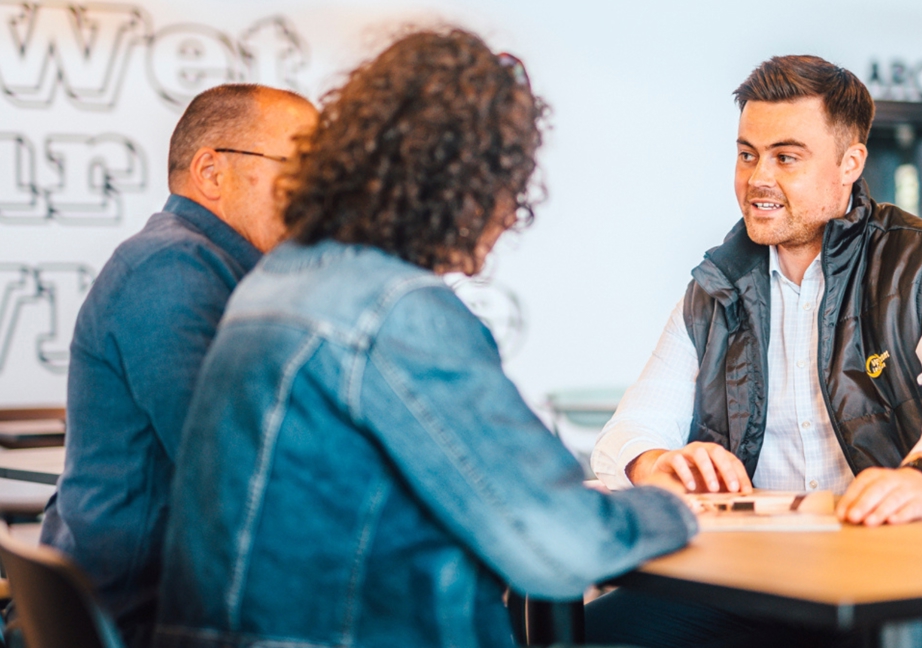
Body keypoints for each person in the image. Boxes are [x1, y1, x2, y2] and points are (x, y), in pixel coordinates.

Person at [152, 28, 696, 648]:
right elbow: (557, 544)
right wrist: (680, 510)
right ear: (471, 185)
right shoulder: (394, 311)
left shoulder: (278, 279)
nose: (509, 212)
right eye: (509, 183)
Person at [589, 55, 922, 648]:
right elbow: (629, 431)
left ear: (850, 163)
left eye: (786, 157)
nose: (758, 179)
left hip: (914, 578)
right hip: (757, 580)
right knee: (578, 633)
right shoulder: (715, 285)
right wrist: (653, 464)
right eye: (747, 154)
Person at [36, 84, 318, 648]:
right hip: (146, 619)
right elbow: (237, 471)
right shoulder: (175, 269)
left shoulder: (213, 267)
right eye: (301, 168)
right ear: (211, 172)